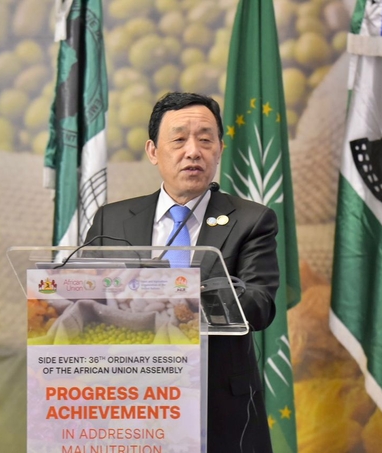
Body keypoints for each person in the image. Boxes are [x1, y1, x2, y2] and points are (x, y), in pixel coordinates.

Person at [84, 92, 279, 452]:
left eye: (205, 140)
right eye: (178, 140)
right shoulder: (111, 220)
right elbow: (84, 296)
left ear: (219, 149)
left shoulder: (252, 220)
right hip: (130, 403)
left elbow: (259, 303)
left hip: (217, 406)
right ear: (153, 151)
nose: (193, 151)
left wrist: (180, 294)